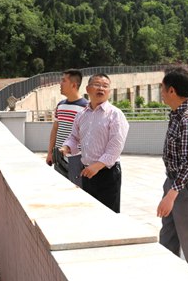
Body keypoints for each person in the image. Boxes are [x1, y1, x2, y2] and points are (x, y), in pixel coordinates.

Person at [156, 66, 188, 276]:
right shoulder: (176, 116)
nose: (161, 92)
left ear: (172, 90)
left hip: (186, 187)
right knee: (167, 239)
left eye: (162, 87)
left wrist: (171, 195)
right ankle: (171, 280)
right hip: (175, 183)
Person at [59, 73, 129, 213]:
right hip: (87, 172)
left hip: (107, 173)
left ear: (109, 91)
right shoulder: (81, 115)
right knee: (91, 213)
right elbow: (74, 137)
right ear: (87, 89)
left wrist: (97, 166)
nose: (101, 89)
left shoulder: (115, 114)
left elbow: (116, 146)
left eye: (105, 86)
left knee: (108, 214)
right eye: (97, 85)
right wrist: (66, 147)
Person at [46, 69, 88, 186]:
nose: (60, 83)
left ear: (73, 85)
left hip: (77, 159)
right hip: (59, 157)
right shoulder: (60, 105)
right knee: (60, 189)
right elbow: (55, 129)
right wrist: (50, 153)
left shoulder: (86, 107)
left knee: (76, 190)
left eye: (64, 81)